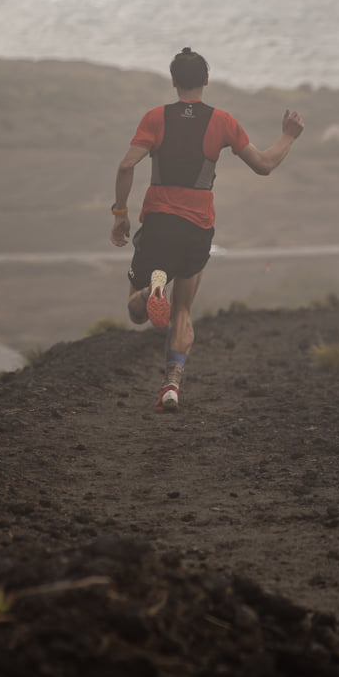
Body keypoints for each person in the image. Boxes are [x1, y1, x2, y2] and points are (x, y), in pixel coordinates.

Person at [110, 47, 304, 410]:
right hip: (197, 229)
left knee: (136, 312)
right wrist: (288, 136)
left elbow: (125, 166)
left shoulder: (155, 118)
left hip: (158, 224)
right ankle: (171, 386)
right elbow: (264, 165)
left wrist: (120, 213)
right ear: (206, 80)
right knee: (182, 310)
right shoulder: (223, 121)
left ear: (173, 80)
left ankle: (152, 291)